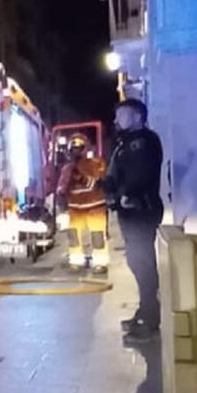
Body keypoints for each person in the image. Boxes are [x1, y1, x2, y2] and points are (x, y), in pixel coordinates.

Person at [101, 98, 164, 343]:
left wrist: (124, 194)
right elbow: (118, 175)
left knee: (143, 265)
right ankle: (145, 311)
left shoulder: (144, 142)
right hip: (130, 212)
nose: (117, 120)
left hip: (140, 211)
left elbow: (140, 175)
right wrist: (105, 186)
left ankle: (150, 320)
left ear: (138, 115)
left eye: (122, 114)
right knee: (138, 264)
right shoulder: (124, 144)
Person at [57, 134, 109, 273]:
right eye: (73, 148)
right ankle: (76, 261)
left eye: (79, 148)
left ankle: (100, 263)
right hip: (75, 208)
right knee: (73, 236)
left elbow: (97, 183)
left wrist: (80, 176)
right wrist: (61, 196)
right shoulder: (67, 168)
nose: (76, 151)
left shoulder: (97, 163)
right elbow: (62, 187)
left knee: (97, 235)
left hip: (95, 206)